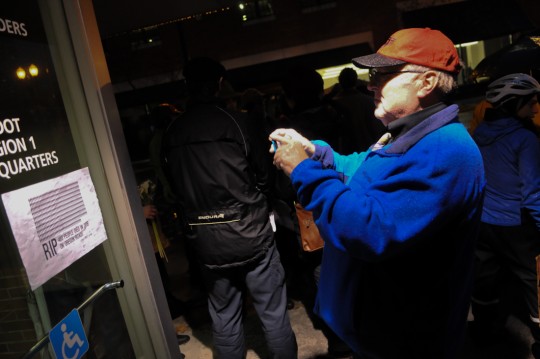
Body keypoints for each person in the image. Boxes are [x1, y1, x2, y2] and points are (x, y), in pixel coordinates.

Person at [269, 27, 485, 359]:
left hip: (408, 340)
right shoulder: (409, 133)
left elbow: (369, 230)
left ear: (426, 83)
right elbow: (364, 168)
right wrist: (314, 152)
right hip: (382, 331)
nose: (371, 84)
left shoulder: (447, 150)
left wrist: (304, 171)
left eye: (383, 74)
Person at [162, 56, 297, 359]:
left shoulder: (173, 131)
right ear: (219, 84)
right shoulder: (238, 122)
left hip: (206, 239)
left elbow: (173, 185)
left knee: (224, 318)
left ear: (187, 85)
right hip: (251, 232)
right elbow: (264, 176)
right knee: (273, 315)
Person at [470, 73, 540, 358]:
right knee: (534, 282)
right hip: (515, 224)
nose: (535, 107)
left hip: (482, 222)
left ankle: (486, 334)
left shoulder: (478, 134)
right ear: (513, 103)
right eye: (531, 102)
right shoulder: (525, 139)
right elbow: (533, 192)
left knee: (484, 280)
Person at [330, 67, 386, 153]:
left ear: (340, 81)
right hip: (370, 149)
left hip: (345, 155)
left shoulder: (332, 106)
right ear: (356, 80)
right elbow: (377, 129)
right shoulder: (369, 101)